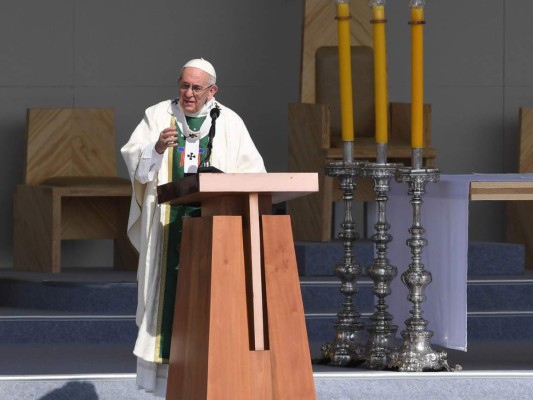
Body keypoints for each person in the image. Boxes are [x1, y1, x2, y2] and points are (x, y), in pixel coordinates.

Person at [121, 58, 266, 397]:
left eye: (196, 88)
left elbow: (254, 173)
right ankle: (168, 386)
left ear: (212, 90)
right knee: (166, 298)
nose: (188, 93)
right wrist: (156, 148)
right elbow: (137, 168)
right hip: (167, 225)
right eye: (183, 85)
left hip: (215, 230)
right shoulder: (157, 116)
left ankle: (211, 379)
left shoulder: (229, 122)